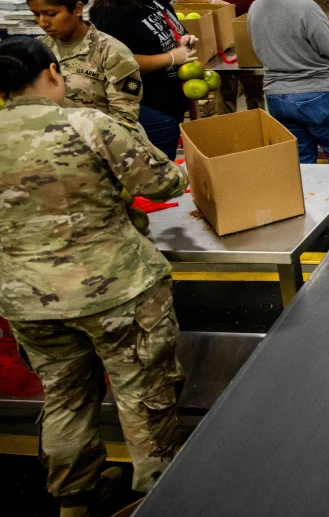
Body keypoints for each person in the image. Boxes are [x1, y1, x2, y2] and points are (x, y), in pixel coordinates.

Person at [0, 36, 190, 515]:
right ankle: (156, 497)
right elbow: (164, 181)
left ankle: (74, 500)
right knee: (143, 392)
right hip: (117, 292)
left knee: (64, 397)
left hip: (28, 302)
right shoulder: (86, 124)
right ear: (52, 73)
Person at [247, 0, 329, 229]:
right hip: (319, 93)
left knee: (302, 161)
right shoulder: (305, 7)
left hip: (277, 96)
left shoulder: (254, 8)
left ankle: (308, 218)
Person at [90, 0, 197, 159]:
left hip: (173, 99)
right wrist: (170, 58)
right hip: (148, 106)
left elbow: (170, 33)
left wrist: (183, 40)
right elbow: (116, 64)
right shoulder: (109, 12)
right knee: (157, 168)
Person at [27, 0, 142, 125]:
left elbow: (125, 119)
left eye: (51, 14)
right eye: (36, 14)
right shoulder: (39, 49)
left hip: (98, 142)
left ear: (77, 9)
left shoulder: (111, 53)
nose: (43, 22)